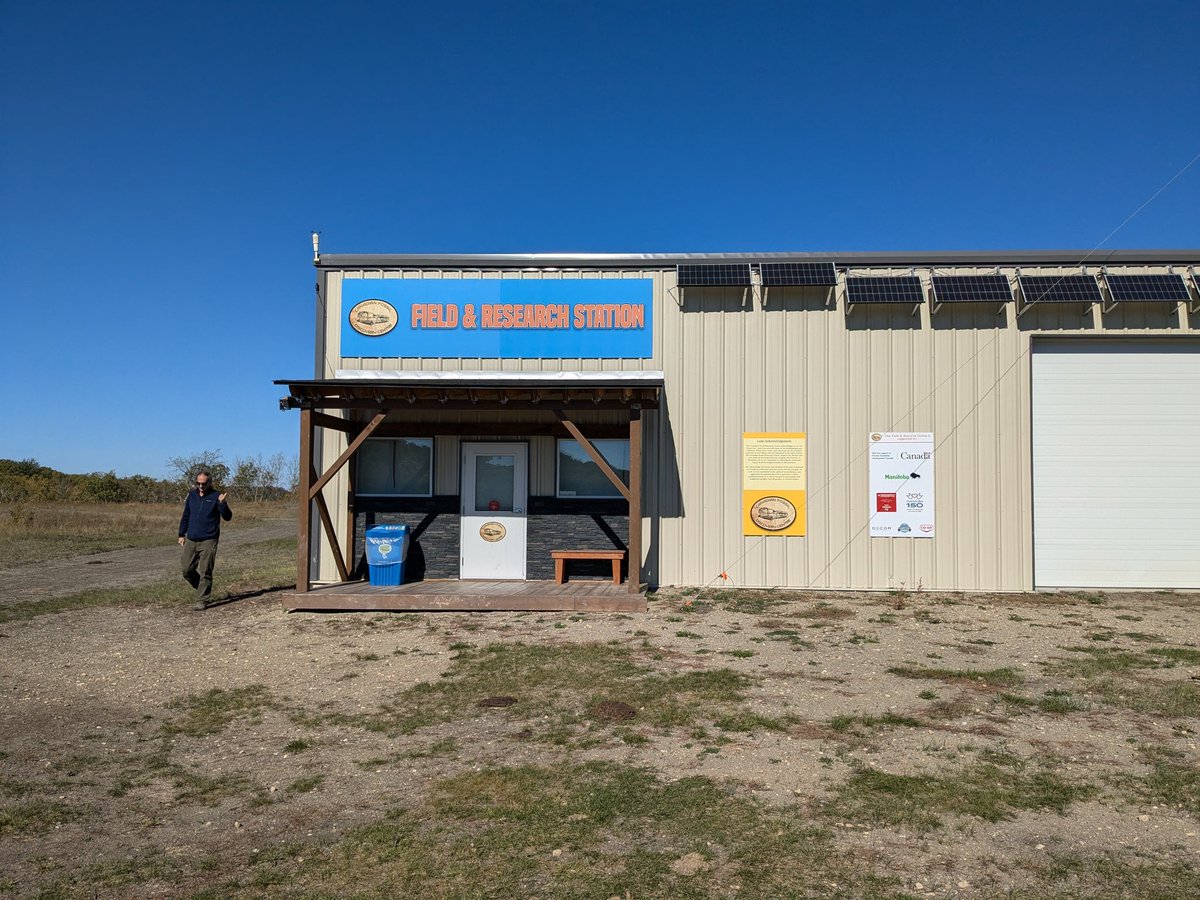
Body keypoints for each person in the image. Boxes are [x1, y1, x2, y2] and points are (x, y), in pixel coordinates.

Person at [178, 470, 233, 610]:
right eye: (198, 483)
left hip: (209, 539)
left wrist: (222, 504)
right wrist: (181, 534)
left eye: (204, 483)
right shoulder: (192, 495)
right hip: (191, 538)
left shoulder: (216, 496)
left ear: (209, 483)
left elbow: (227, 517)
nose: (201, 486)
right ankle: (202, 588)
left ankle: (202, 599)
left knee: (205, 571)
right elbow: (186, 515)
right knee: (187, 569)